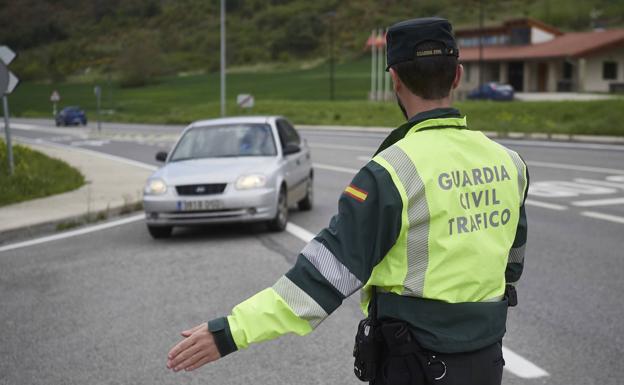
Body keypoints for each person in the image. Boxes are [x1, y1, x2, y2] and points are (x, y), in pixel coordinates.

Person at [166, 17, 528, 385]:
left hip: (415, 364)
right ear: (457, 77)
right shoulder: (510, 163)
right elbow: (511, 265)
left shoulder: (389, 173)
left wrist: (229, 332)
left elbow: (320, 279)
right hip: (486, 361)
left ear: (395, 82)